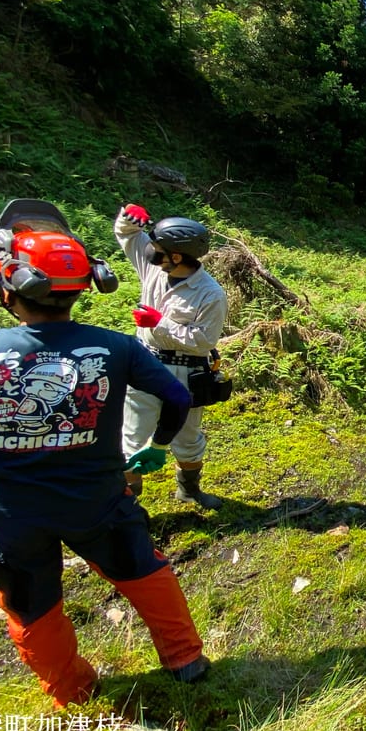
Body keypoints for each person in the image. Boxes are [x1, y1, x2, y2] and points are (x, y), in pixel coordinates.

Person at [0, 219, 208, 708]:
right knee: (141, 569)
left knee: (30, 604)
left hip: (11, 511)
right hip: (98, 498)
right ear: (84, 287)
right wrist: (159, 446)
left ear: (9, 287)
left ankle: (73, 693)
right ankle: (186, 660)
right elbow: (178, 397)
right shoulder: (115, 347)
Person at [115, 204, 228, 509]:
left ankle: (189, 490)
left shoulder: (211, 294)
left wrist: (159, 323)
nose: (150, 252)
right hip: (144, 363)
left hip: (186, 372)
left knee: (188, 438)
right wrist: (129, 217)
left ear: (176, 257)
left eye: (158, 249)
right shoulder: (153, 268)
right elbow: (127, 236)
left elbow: (204, 341)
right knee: (132, 436)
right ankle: (126, 507)